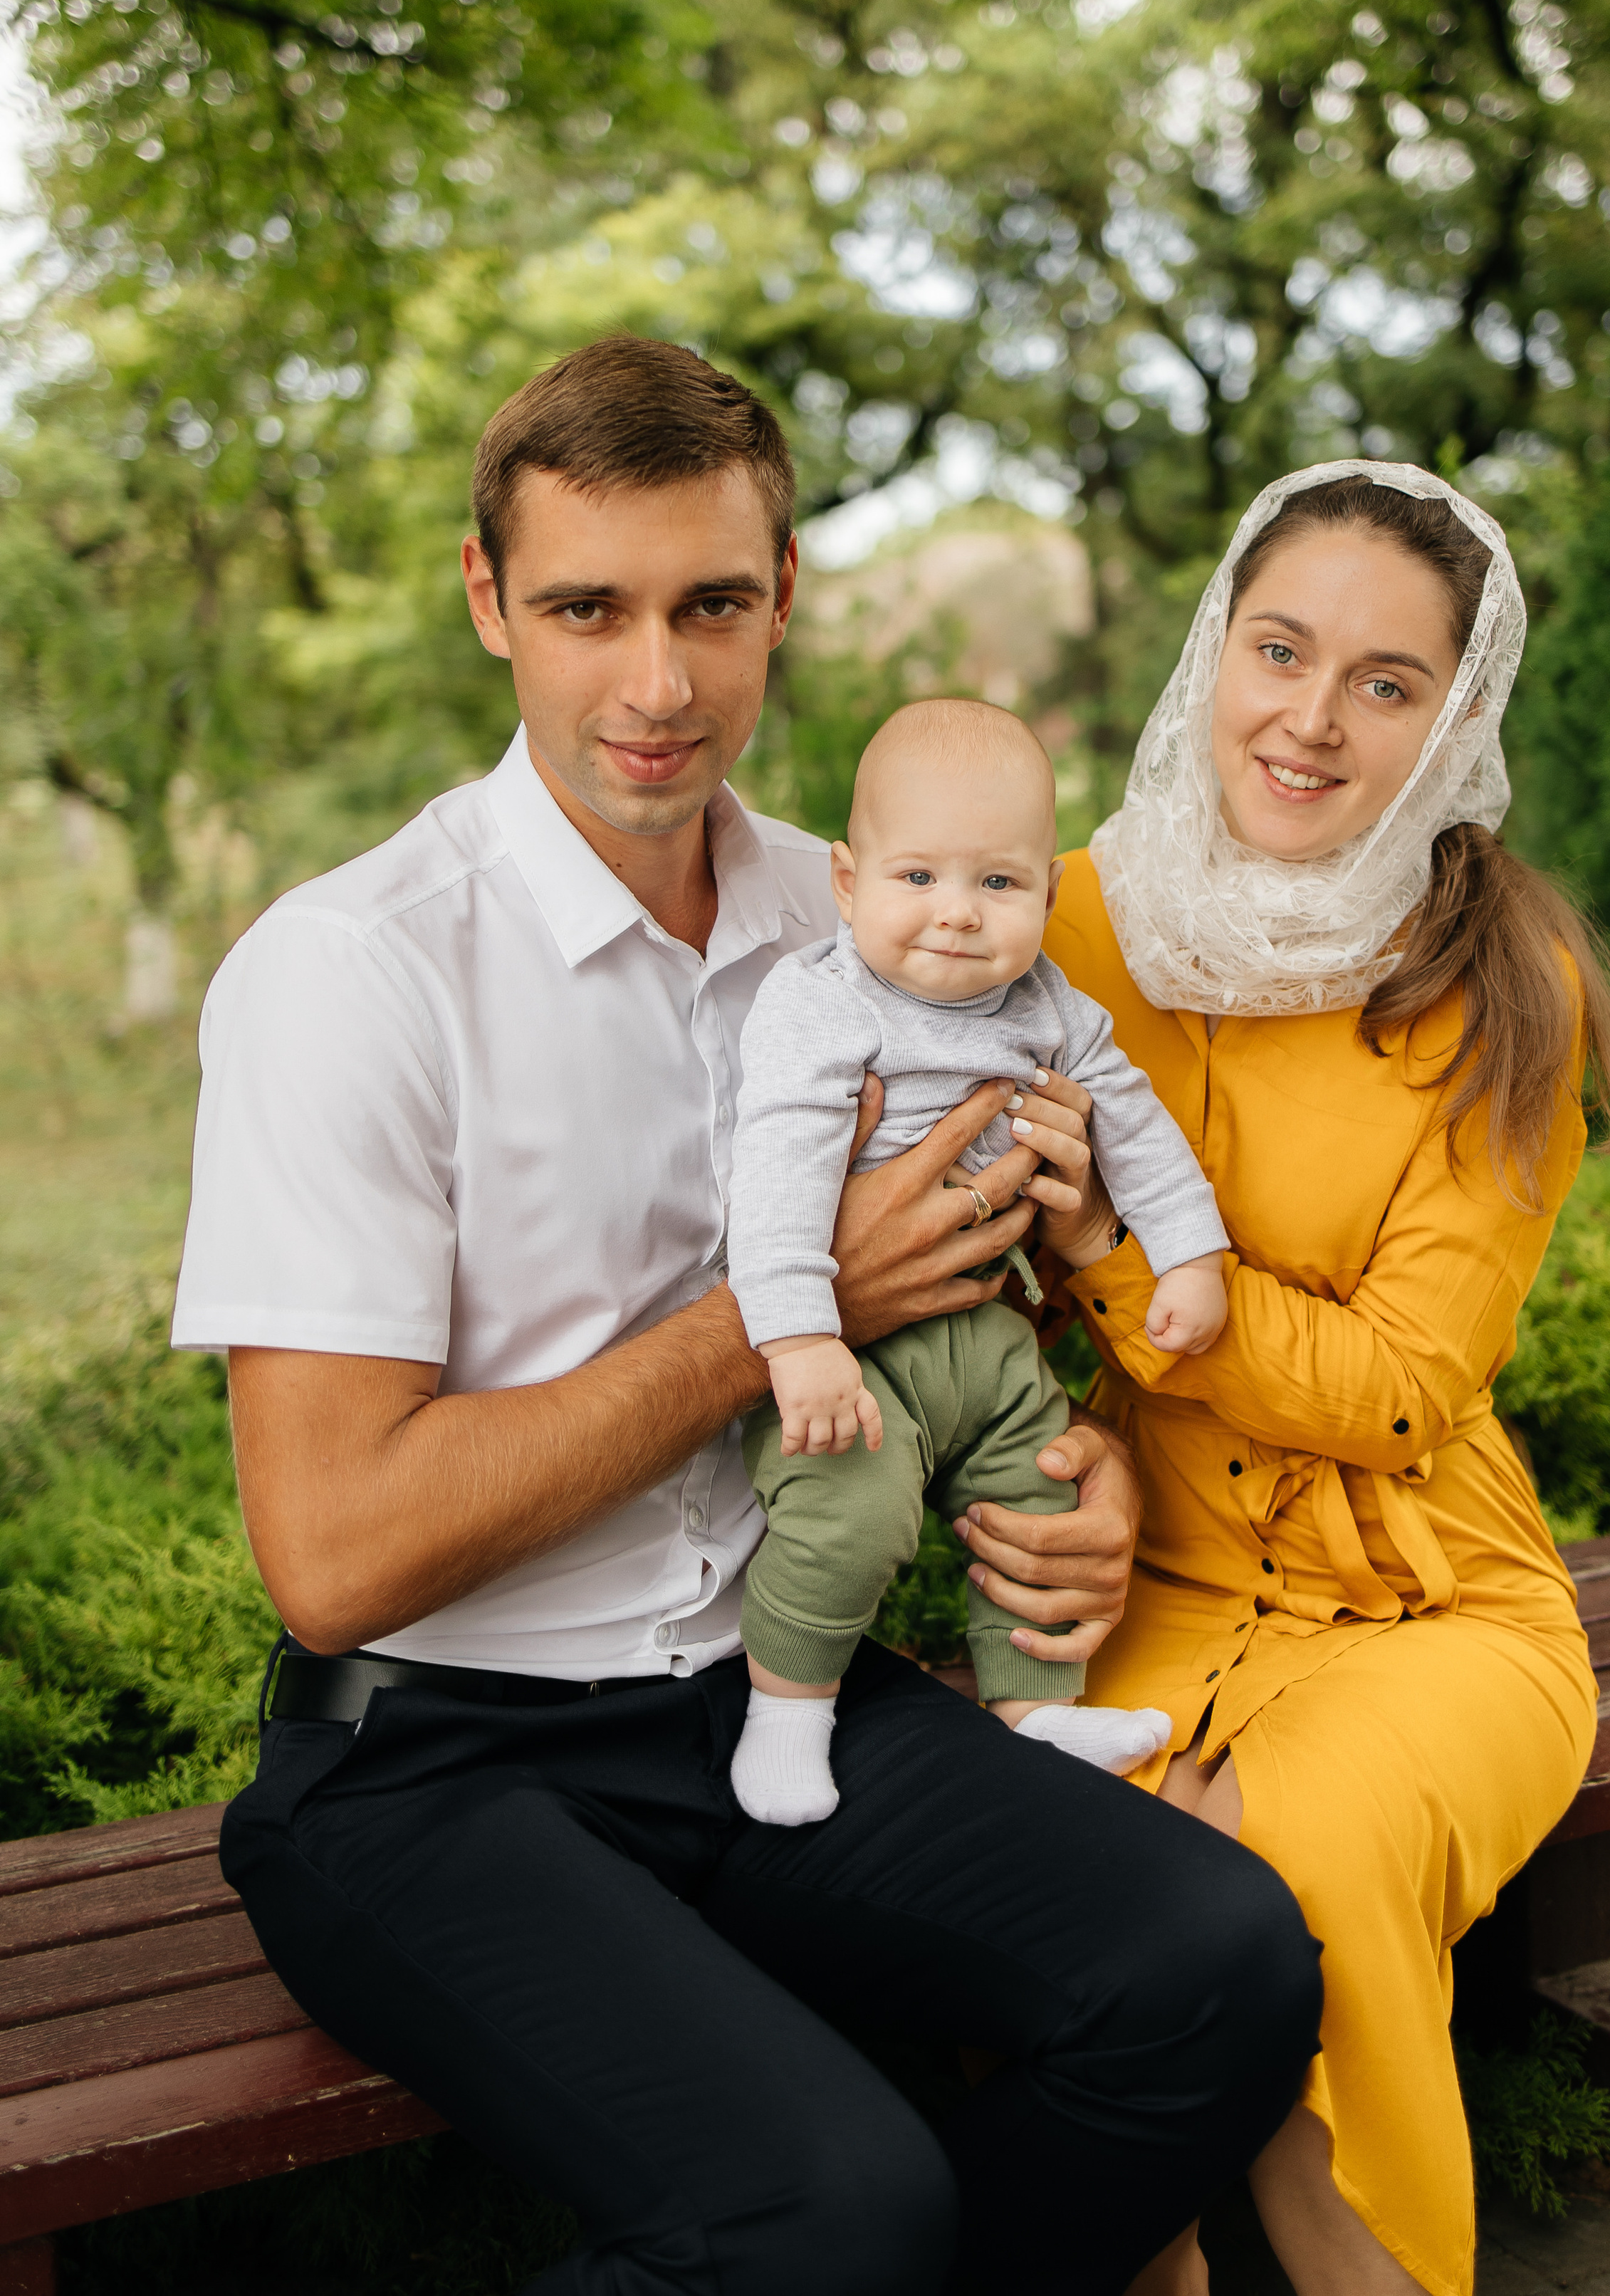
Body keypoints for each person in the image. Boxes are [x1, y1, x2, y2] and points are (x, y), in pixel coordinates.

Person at [172, 334, 1324, 2296]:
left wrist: (1080, 1467)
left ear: (783, 597)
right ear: (487, 602)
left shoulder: (868, 916)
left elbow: (1000, 1309)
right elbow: (334, 1556)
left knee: (1216, 1970)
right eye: (585, 607)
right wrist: (769, 1315)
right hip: (423, 1762)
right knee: (834, 2208)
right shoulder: (351, 972)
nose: (657, 680)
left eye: (712, 603)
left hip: (766, 1698)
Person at [1030, 464, 1610, 2296]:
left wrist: (1113, 1277)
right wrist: (1066, 1434)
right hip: (1147, 1592)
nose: (1306, 718)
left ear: (1453, 724)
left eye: (1383, 684)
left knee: (1278, 1871)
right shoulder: (1060, 924)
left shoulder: (1498, 972)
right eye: (1274, 649)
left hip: (1431, 1608)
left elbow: (1397, 1385)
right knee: (1062, 1882)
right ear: (1212, 646)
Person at [726, 695, 1226, 1825]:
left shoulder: (1049, 1004)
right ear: (847, 881)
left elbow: (1135, 1124)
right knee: (846, 1514)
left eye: (997, 884)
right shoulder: (819, 1004)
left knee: (1044, 1495)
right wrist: (801, 1335)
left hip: (993, 1343)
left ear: (1048, 891)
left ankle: (1036, 1707)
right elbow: (777, 1177)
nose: (956, 916)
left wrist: (1188, 1253)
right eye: (919, 879)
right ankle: (788, 1712)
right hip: (863, 1355)